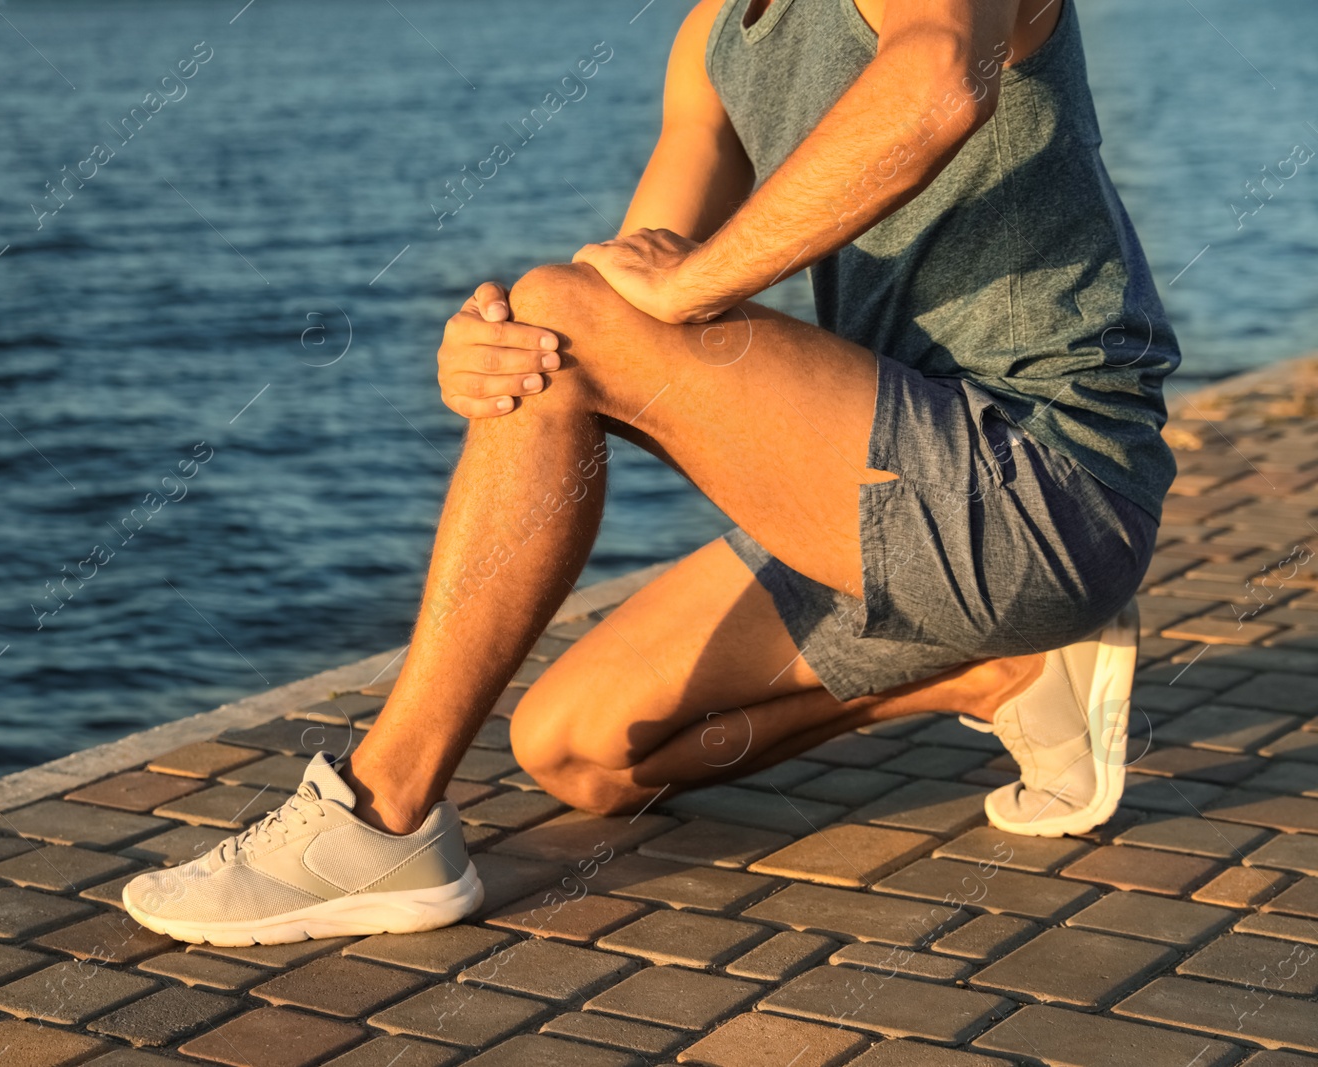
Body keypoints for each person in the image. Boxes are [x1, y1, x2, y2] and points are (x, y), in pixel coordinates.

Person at [123, 0, 1177, 947]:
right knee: (576, 749)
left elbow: (941, 80)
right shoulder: (714, 38)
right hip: (899, 497)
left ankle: (381, 811)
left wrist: (663, 293)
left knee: (561, 319)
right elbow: (622, 290)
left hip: (1044, 481)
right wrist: (487, 356)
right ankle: (1005, 672)